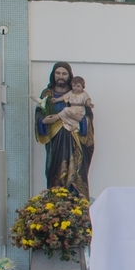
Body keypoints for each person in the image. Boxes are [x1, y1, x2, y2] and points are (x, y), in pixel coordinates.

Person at [36, 61, 94, 197]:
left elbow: (88, 117)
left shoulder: (77, 93)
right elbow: (38, 114)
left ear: (69, 76)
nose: (60, 76)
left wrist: (81, 120)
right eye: (58, 73)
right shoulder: (47, 94)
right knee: (55, 171)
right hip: (55, 141)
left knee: (75, 171)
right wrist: (43, 120)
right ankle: (56, 201)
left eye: (64, 73)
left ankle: (76, 201)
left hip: (74, 140)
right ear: (53, 75)